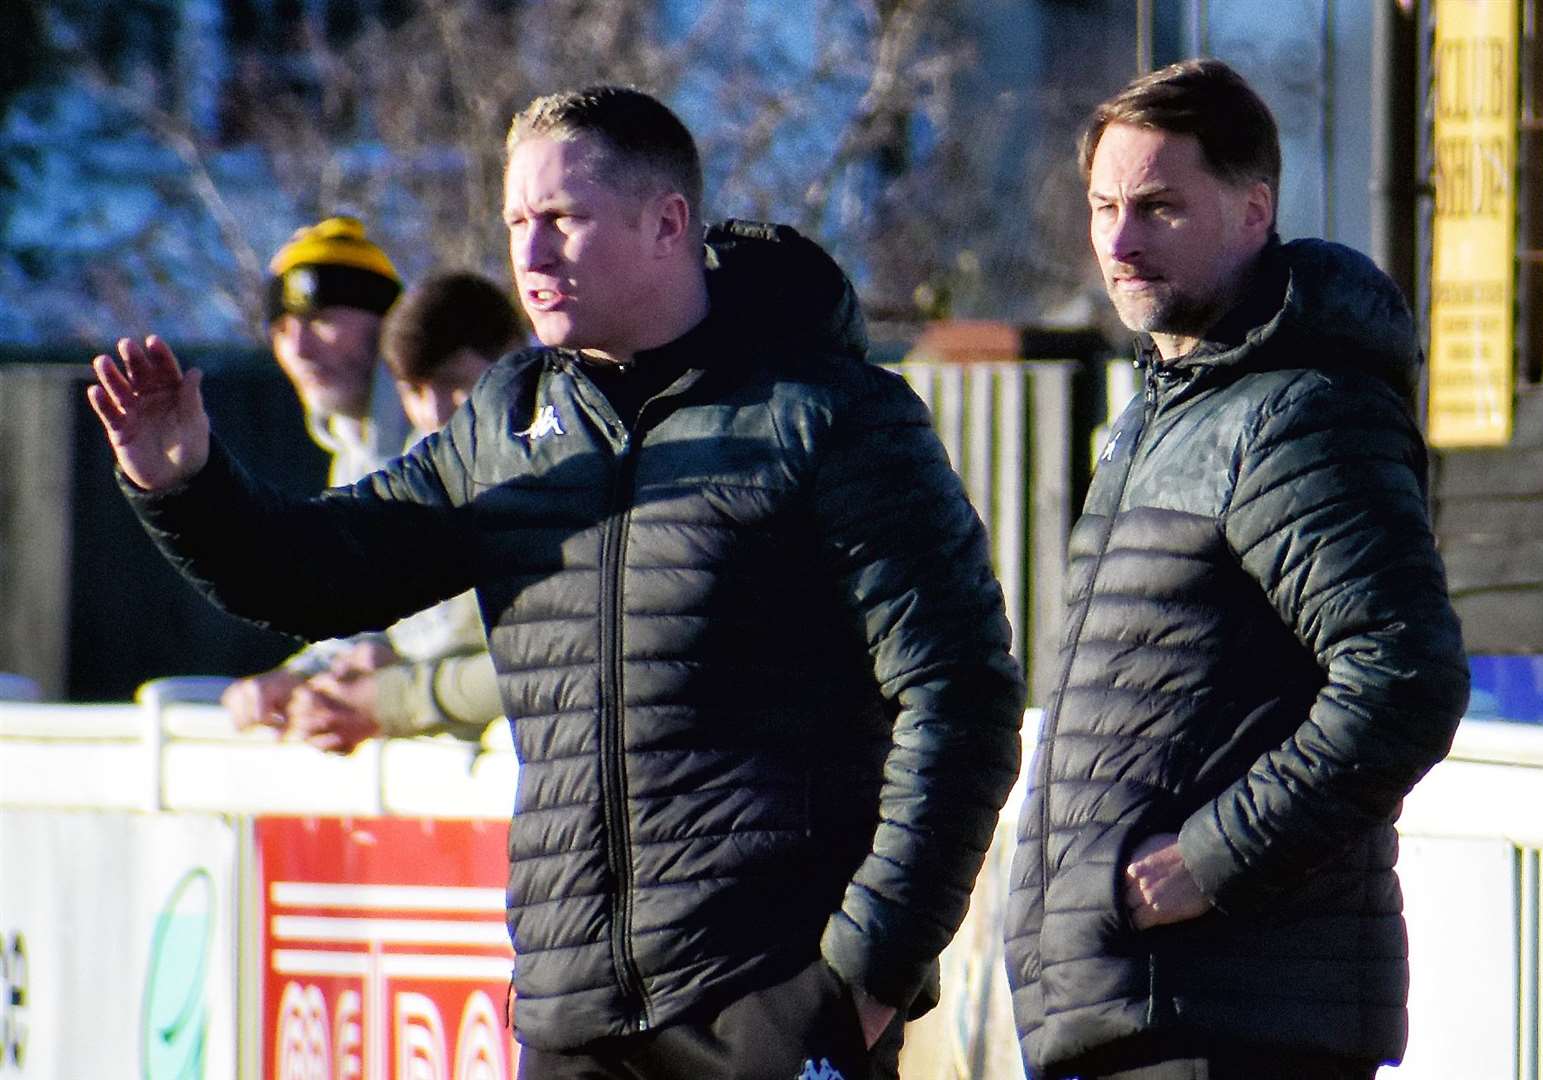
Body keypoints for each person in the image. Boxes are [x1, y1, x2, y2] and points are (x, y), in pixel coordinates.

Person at [88, 85, 1024, 1080]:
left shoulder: (827, 416)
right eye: (516, 223)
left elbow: (960, 695)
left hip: (769, 1001)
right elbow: (322, 575)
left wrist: (864, 975)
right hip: (573, 1012)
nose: (529, 258)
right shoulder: (512, 420)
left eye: (563, 221)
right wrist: (184, 483)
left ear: (667, 223)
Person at [1002, 59, 1469, 1080]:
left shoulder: (1299, 411)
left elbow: (1405, 678)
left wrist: (1208, 863)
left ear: (1254, 209)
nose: (1119, 242)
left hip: (1228, 1018)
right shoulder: (1162, 409)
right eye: (1103, 206)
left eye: (1159, 207)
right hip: (1137, 1006)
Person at [278, 271, 526, 754]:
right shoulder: (432, 480)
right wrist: (380, 661)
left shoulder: (569, 475)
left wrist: (393, 699)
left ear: (516, 359)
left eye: (456, 384)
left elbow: (555, 665)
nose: (434, 414)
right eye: (414, 390)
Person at [220, 215, 413, 732]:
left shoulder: (445, 433)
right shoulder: (352, 448)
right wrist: (298, 676)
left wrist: (408, 677)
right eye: (282, 329)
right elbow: (363, 618)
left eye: (321, 319)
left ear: (390, 323)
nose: (299, 349)